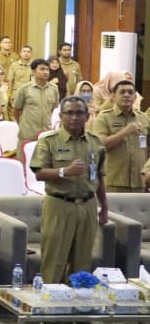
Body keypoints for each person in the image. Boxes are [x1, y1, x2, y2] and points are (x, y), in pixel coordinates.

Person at [30, 96, 108, 301]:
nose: (74, 117)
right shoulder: (49, 141)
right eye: (69, 113)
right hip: (59, 204)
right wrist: (65, 171)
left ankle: (78, 305)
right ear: (61, 116)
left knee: (82, 260)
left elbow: (100, 177)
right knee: (54, 258)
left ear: (87, 116)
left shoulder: (96, 142)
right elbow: (39, 173)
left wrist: (104, 208)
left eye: (79, 113)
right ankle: (49, 306)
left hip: (88, 204)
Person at [92, 79, 148, 194]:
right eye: (122, 92)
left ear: (135, 97)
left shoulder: (143, 118)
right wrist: (125, 132)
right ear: (113, 96)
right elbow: (99, 145)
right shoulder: (104, 117)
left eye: (130, 92)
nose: (126, 95)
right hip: (113, 182)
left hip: (139, 181)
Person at [12, 58, 60, 142]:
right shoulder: (24, 89)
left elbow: (52, 109)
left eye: (47, 69)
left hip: (46, 134)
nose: (45, 72)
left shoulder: (54, 89)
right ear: (33, 71)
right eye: (42, 69)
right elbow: (16, 110)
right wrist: (22, 125)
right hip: (27, 134)